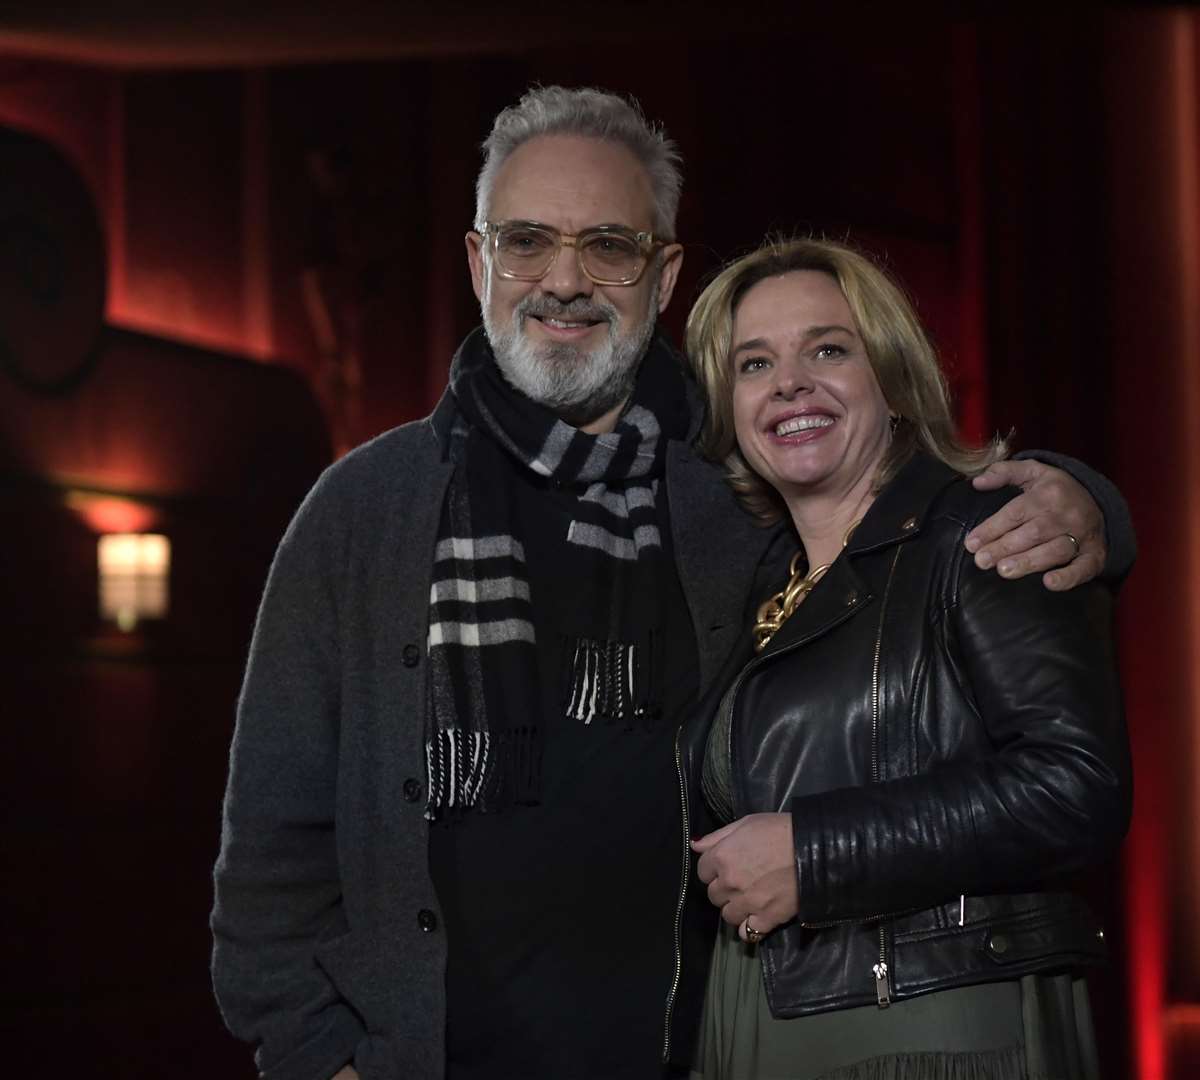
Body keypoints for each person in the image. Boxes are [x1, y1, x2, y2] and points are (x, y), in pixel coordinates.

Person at [210, 86, 1135, 1080]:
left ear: (663, 275)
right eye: (526, 241)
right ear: (480, 262)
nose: (562, 280)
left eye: (608, 244)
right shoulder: (362, 511)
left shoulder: (733, 503)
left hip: (693, 1055)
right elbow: (272, 841)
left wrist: (1086, 507)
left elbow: (901, 511)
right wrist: (318, 1059)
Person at [680, 239, 1130, 1080]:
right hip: (758, 1029)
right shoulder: (757, 587)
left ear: (890, 378)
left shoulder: (985, 533)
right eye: (753, 363)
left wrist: (814, 855)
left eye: (828, 348)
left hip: (932, 1030)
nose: (789, 382)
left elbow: (1079, 787)